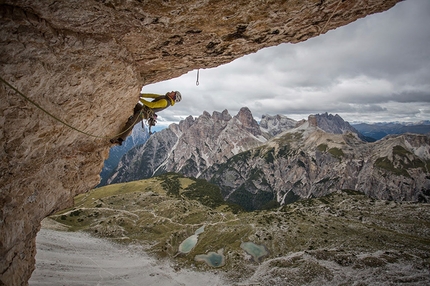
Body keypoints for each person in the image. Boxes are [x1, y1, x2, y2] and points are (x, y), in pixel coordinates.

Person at [110, 91, 182, 145]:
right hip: (144, 110)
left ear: (173, 97)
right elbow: (153, 96)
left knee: (131, 122)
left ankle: (120, 140)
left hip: (144, 113)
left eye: (174, 93)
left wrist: (140, 99)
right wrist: (142, 95)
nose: (172, 91)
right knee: (134, 105)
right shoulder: (165, 98)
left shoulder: (165, 101)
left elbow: (152, 105)